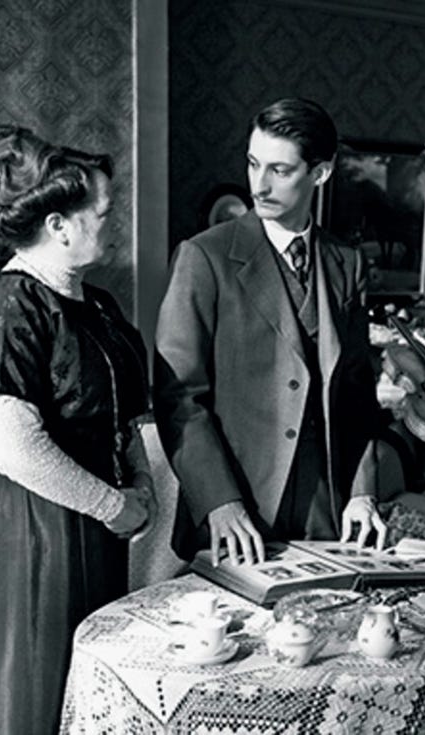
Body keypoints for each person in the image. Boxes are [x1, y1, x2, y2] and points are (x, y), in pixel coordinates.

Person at [0, 130, 154, 735]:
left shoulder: (98, 306)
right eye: (101, 214)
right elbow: (13, 446)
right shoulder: (4, 306)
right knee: (30, 691)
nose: (111, 225)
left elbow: (126, 414)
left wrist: (140, 488)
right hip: (25, 525)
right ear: (59, 224)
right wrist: (112, 505)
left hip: (96, 515)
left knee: (85, 687)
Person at [154, 97, 387, 568]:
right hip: (238, 515)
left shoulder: (347, 262)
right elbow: (179, 398)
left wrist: (362, 492)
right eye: (254, 163)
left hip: (328, 516)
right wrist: (220, 502)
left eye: (279, 170)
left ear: (319, 173)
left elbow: (358, 395)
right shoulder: (206, 257)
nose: (259, 185)